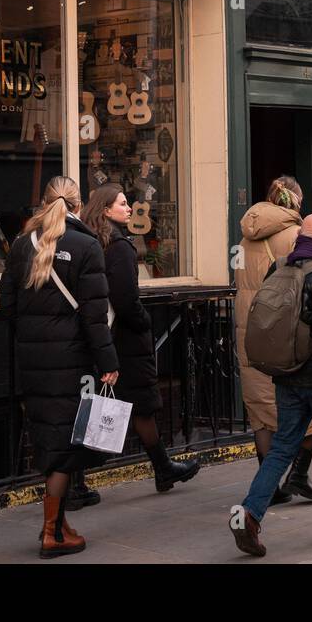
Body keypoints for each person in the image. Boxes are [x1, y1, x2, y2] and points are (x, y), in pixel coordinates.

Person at [0, 176, 118, 559]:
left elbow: (7, 306)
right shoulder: (86, 246)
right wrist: (108, 361)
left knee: (49, 437)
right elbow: (95, 316)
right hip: (72, 360)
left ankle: (59, 522)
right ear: (78, 205)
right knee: (66, 444)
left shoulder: (21, 245)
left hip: (33, 360)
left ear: (44, 202)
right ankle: (51, 532)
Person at [231, 212, 312, 557]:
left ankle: (249, 512)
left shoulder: (282, 265)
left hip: (287, 374)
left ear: (301, 237)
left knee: (282, 447)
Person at [81, 183, 201, 497]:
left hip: (101, 336)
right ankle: (162, 468)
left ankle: (79, 482)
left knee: (108, 404)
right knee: (140, 405)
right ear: (106, 210)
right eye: (122, 203)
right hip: (126, 340)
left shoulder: (92, 241)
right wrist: (144, 321)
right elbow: (125, 299)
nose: (129, 207)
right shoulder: (119, 246)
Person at [234, 176, 312, 504]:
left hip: (250, 332)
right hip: (286, 333)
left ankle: (269, 487)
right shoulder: (296, 235)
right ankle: (298, 474)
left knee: (260, 412)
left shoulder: (244, 239)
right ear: (296, 201)